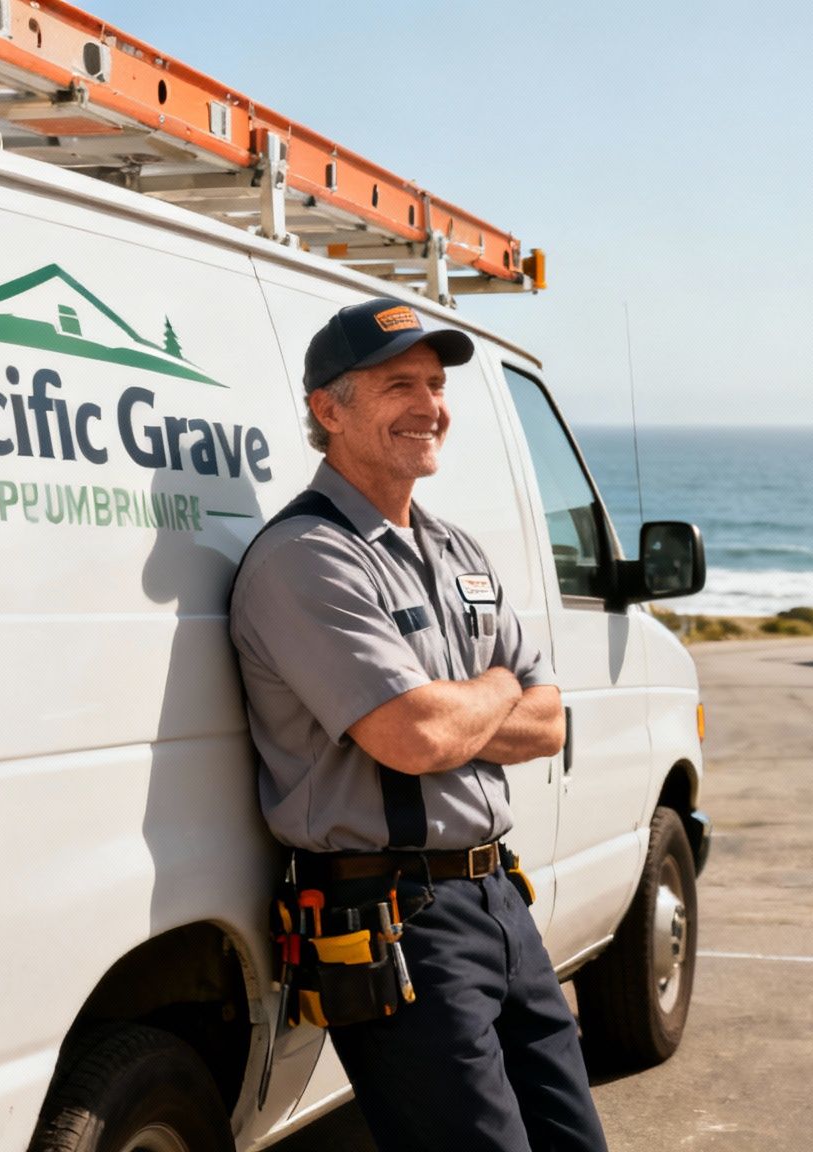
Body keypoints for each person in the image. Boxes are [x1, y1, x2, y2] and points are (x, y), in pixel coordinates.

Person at [229, 297, 612, 1152]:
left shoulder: (458, 551)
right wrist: (495, 690)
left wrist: (462, 702)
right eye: (399, 384)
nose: (431, 406)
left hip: (500, 902)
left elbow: (550, 722)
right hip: (397, 922)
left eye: (437, 385)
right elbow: (413, 738)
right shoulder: (306, 557)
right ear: (329, 409)